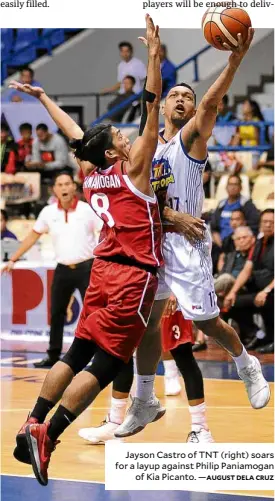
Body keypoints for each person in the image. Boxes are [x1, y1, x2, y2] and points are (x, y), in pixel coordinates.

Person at [80, 27, 270, 443]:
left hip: (187, 246)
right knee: (146, 327)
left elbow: (213, 100)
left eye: (188, 95)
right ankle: (144, 399)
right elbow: (136, 199)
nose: (183, 100)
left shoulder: (192, 137)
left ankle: (246, 363)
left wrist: (234, 59)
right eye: (175, 95)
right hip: (152, 245)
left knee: (206, 319)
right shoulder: (144, 148)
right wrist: (167, 214)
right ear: (163, 104)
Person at [9, 15, 164, 486]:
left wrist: (43, 99)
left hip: (101, 272)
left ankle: (30, 420)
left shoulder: (91, 173)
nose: (124, 135)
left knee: (75, 351)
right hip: (132, 277)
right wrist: (155, 58)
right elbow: (150, 105)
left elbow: (78, 136)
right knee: (108, 363)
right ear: (116, 152)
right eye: (119, 136)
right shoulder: (134, 168)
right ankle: (49, 435)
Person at [79, 294, 213, 444]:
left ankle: (200, 428)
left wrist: (172, 291)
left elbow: (176, 269)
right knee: (123, 350)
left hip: (166, 294)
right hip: (141, 293)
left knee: (183, 355)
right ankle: (114, 423)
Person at [2, 171, 102, 367]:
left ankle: (100, 354)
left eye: (67, 184)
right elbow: (33, 236)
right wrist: (13, 258)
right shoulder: (48, 212)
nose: (64, 188)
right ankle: (53, 354)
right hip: (63, 268)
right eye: (60, 185)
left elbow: (103, 233)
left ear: (74, 187)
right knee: (56, 312)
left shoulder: (87, 210)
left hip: (87, 268)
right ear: (54, 189)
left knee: (94, 313)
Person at [224, 209, 274, 354]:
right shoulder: (258, 243)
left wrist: (266, 290)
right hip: (258, 291)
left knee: (270, 301)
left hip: (270, 292)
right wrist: (232, 292)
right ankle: (258, 334)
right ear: (260, 224)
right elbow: (247, 269)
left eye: (272, 222)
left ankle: (272, 340)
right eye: (265, 222)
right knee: (232, 303)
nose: (268, 225)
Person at [211, 174, 259, 249]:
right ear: (226, 187)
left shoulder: (247, 205)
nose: (232, 187)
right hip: (220, 245)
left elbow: (253, 228)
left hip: (239, 246)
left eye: (235, 184)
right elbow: (214, 229)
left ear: (241, 187)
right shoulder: (221, 204)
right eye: (230, 184)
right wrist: (222, 247)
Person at [216, 208, 247, 273]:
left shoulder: (250, 237)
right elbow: (222, 258)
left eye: (237, 219)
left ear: (244, 221)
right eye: (232, 219)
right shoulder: (227, 240)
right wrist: (221, 274)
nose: (234, 222)